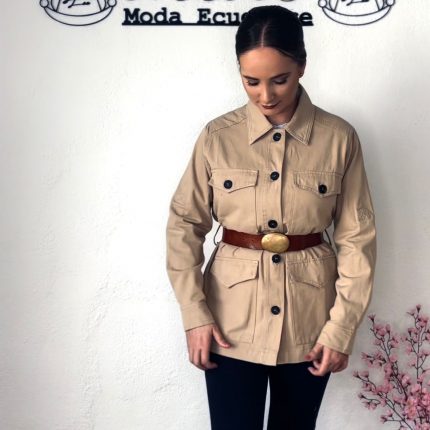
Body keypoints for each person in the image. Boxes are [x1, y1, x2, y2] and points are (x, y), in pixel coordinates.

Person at [165, 5, 377, 429]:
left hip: (310, 323)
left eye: (280, 79)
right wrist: (194, 314)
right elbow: (184, 225)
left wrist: (341, 328)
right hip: (228, 323)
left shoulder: (339, 138)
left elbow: (357, 239)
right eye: (252, 81)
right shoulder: (216, 138)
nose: (266, 95)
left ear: (302, 66)